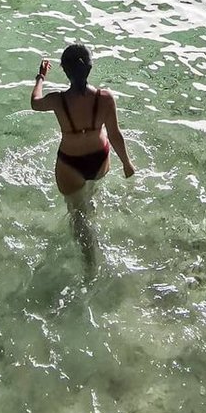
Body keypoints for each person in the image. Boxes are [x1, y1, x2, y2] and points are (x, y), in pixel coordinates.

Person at [31, 43, 135, 271]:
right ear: (90, 67)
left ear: (65, 71)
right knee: (91, 194)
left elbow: (35, 103)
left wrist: (41, 77)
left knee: (78, 216)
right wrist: (127, 163)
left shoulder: (58, 100)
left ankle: (90, 266)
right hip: (100, 159)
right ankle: (94, 215)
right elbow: (115, 134)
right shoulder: (105, 97)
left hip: (71, 164)